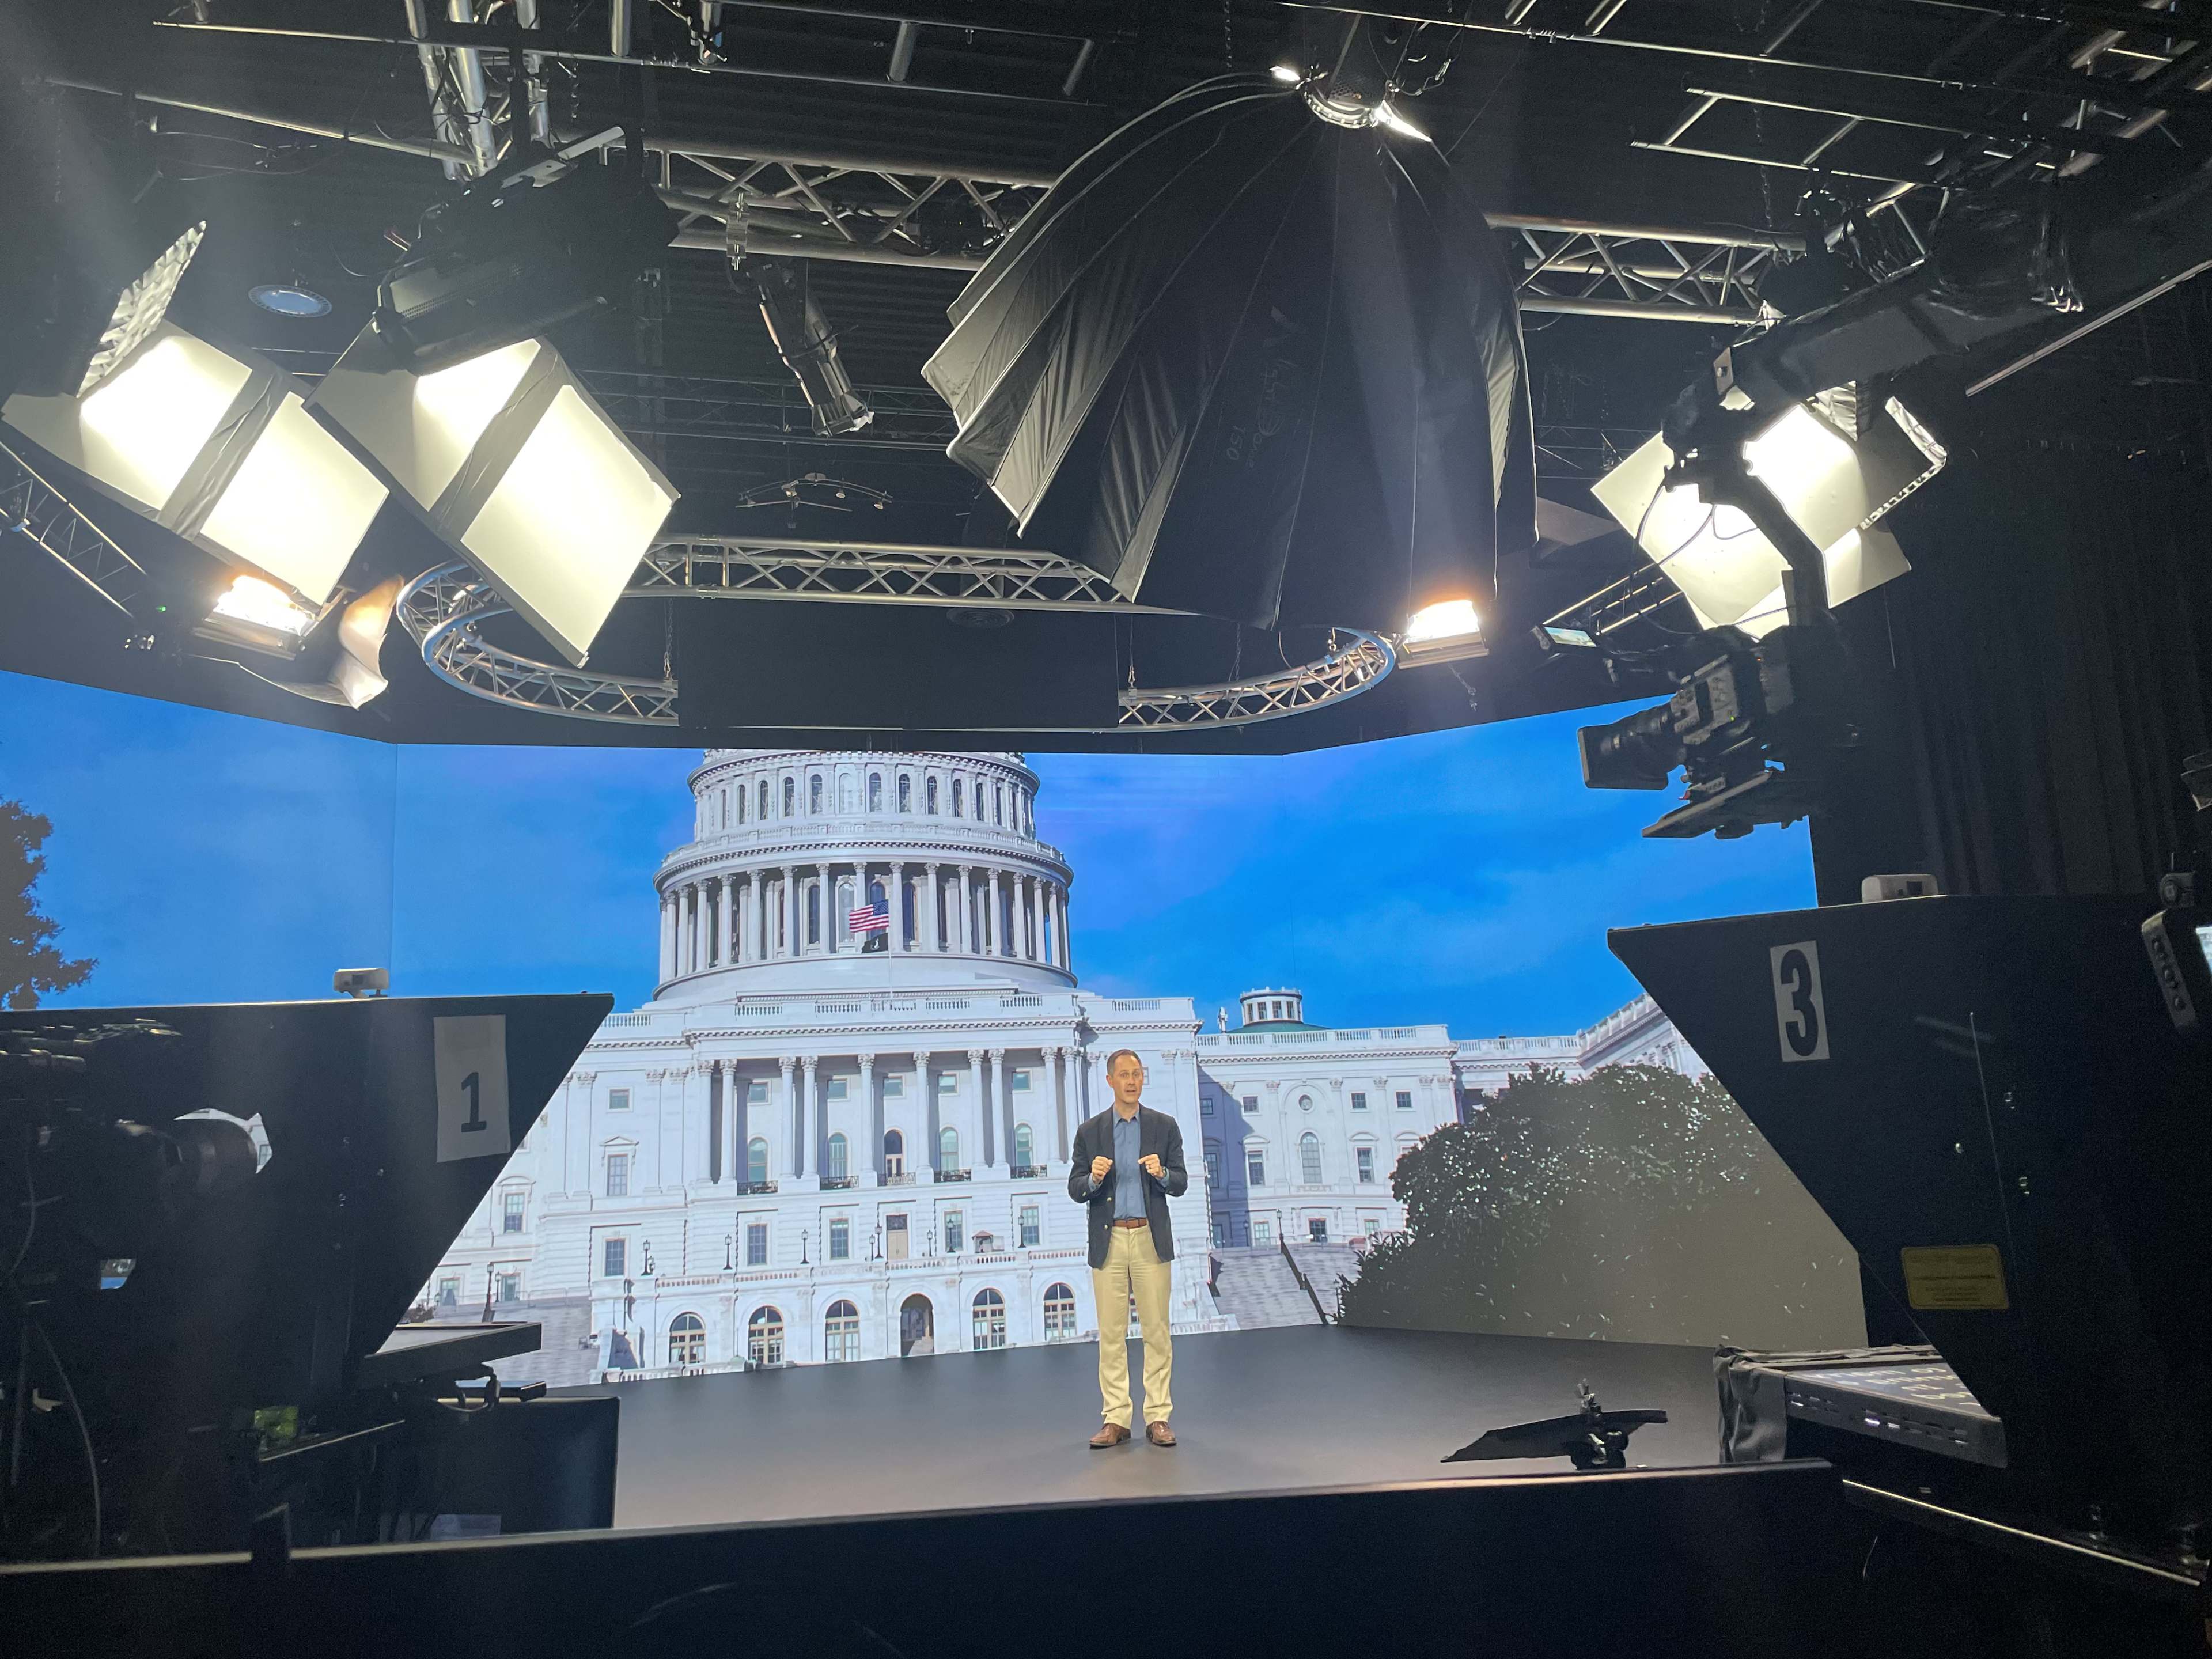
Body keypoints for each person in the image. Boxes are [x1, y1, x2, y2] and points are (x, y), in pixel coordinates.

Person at [1066, 1048, 1187, 1448]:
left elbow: (1181, 1182)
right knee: (1112, 1334)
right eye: (1124, 1075)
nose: (1132, 1080)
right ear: (1110, 1081)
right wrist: (1094, 1180)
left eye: (1137, 1074)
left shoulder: (1164, 1126)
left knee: (1157, 1332)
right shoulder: (1090, 1131)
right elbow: (1076, 1188)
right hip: (1111, 1238)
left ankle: (1158, 1417)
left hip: (1150, 1237)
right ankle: (1116, 1418)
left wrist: (1163, 1174)